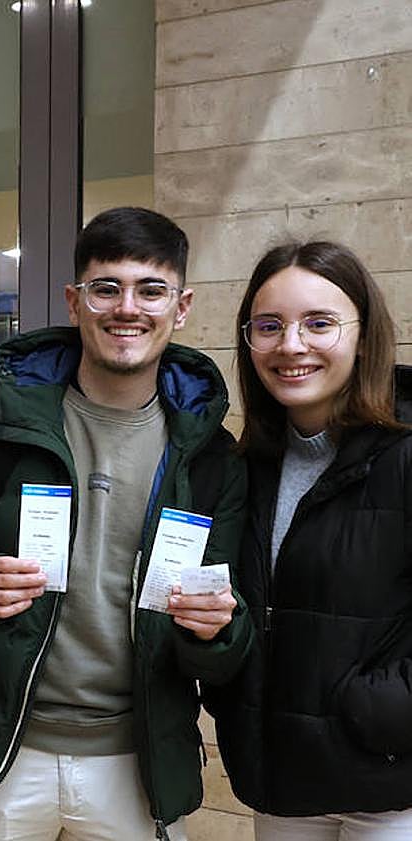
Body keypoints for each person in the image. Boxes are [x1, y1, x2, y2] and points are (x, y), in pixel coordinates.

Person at [0, 206, 254, 841]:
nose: (128, 307)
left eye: (150, 290)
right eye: (107, 288)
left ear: (181, 307)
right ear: (75, 301)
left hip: (138, 759)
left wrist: (216, 629)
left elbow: (227, 638)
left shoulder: (214, 459)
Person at [210, 240, 412, 840]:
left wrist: (381, 709)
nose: (291, 345)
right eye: (268, 326)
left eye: (318, 323)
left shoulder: (404, 454)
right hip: (281, 780)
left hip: (388, 785)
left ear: (365, 334)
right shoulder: (244, 466)